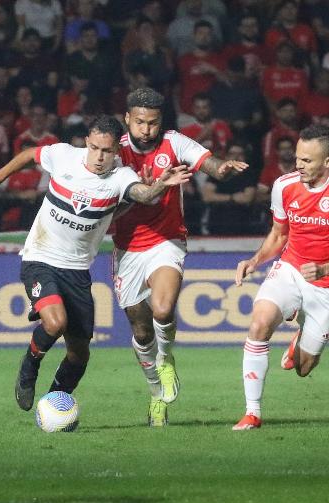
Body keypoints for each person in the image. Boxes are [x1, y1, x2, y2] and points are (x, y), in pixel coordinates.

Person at [0, 115, 191, 414]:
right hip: (40, 258)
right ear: (86, 143)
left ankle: (54, 404)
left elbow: (142, 193)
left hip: (77, 270)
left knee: (79, 354)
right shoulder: (64, 156)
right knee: (55, 322)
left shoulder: (121, 176)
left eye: (107, 150)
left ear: (117, 149)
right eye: (94, 148)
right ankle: (28, 369)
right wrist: (0, 175)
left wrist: (161, 186)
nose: (99, 156)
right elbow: (29, 154)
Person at [114, 87, 247, 426]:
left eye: (153, 123)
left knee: (162, 308)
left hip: (166, 240)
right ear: (128, 118)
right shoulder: (113, 152)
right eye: (140, 122)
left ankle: (166, 359)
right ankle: (156, 393)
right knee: (141, 331)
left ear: (162, 122)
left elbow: (210, 165)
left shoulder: (175, 142)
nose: (147, 129)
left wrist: (224, 168)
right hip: (127, 248)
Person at [232, 124, 329, 430]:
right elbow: (279, 233)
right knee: (258, 324)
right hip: (292, 269)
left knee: (303, 368)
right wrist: (255, 260)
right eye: (298, 158)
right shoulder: (284, 186)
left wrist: (325, 269)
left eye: (307, 161)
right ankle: (252, 412)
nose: (298, 165)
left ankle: (301, 339)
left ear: (328, 162)